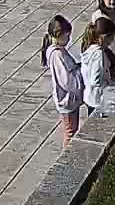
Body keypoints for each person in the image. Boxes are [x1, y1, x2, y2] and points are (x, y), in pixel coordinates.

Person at [78, 18, 115, 118]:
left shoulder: (89, 48)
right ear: (106, 37)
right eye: (112, 36)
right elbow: (96, 81)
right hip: (98, 99)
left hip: (89, 96)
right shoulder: (99, 54)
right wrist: (111, 84)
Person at [41, 15, 82, 143]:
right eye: (67, 36)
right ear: (59, 34)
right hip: (67, 100)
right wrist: (79, 76)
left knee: (71, 129)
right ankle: (67, 157)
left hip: (68, 100)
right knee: (70, 132)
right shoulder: (57, 55)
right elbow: (66, 81)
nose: (69, 39)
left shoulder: (58, 51)